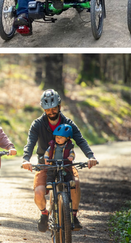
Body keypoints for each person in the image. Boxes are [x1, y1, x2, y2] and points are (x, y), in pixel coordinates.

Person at [21, 89, 98, 233]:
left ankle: (73, 216)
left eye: (54, 108)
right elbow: (30, 143)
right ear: (43, 109)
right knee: (39, 192)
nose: (51, 112)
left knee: (75, 184)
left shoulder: (68, 123)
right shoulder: (37, 124)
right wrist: (26, 159)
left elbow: (80, 140)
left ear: (59, 106)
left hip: (66, 164)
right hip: (46, 164)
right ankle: (44, 214)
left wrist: (90, 156)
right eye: (47, 109)